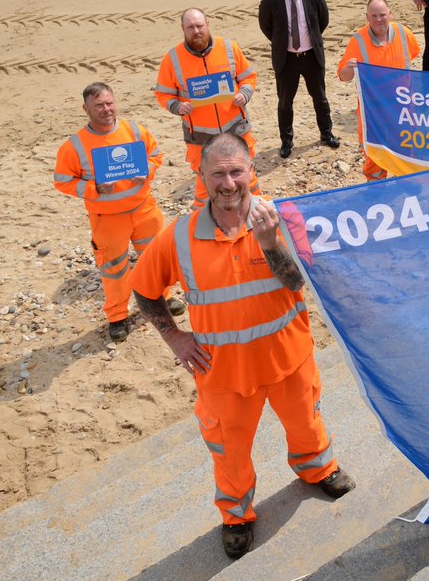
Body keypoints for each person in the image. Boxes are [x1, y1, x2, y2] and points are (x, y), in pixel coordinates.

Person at [130, 132, 354, 561]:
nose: (228, 183)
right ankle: (236, 516)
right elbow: (143, 288)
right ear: (201, 176)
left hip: (288, 358)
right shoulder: (179, 237)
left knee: (306, 422)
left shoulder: (281, 218)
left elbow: (299, 284)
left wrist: (270, 245)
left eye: (237, 172)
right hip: (223, 373)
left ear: (251, 171)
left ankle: (317, 469)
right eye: (218, 173)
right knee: (229, 450)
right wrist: (174, 336)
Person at [53, 82, 184, 342]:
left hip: (144, 209)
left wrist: (147, 170)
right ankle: (117, 317)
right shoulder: (76, 145)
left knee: (156, 259)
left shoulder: (134, 130)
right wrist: (94, 188)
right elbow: (62, 181)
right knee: (114, 269)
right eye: (99, 105)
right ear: (86, 109)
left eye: (109, 103)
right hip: (107, 219)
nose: (106, 109)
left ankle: (165, 298)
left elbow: (155, 155)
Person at [155, 7, 259, 209]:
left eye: (200, 26)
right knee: (205, 188)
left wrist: (244, 93)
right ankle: (204, 232)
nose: (196, 31)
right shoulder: (173, 58)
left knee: (247, 179)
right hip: (200, 138)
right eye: (190, 27)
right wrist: (177, 106)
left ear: (208, 24)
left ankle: (256, 220)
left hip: (236, 129)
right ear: (183, 30)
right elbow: (163, 94)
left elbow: (248, 77)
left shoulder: (229, 47)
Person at [257, 0, 340, 158]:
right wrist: (282, 42)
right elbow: (266, 27)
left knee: (320, 98)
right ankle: (286, 141)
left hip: (311, 56)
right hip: (287, 59)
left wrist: (309, 41)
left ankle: (326, 133)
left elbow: (322, 21)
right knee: (285, 102)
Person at [338, 0, 422, 181]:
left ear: (390, 14)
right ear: (367, 17)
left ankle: (409, 180)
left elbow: (413, 54)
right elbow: (343, 76)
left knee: (406, 145)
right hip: (373, 111)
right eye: (374, 15)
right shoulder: (358, 41)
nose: (379, 19)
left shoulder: (403, 33)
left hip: (402, 107)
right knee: (375, 151)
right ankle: (376, 187)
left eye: (382, 15)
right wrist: (349, 68)